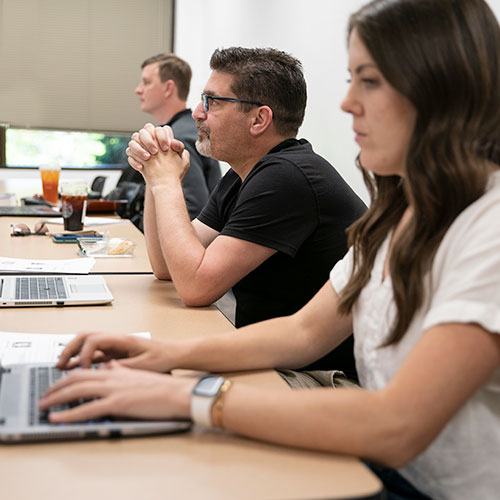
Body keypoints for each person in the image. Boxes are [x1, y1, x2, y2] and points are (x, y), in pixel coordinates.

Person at [39, 0, 500, 498]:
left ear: (439, 91)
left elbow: (398, 424)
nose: (346, 103)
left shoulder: (487, 225)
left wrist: (184, 394)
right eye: (350, 79)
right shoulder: (400, 210)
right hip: (383, 459)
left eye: (369, 80)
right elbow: (304, 330)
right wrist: (162, 354)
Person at [127, 48, 365, 349]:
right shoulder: (244, 175)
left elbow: (195, 286)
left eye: (211, 102)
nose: (197, 113)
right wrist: (154, 171)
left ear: (258, 120)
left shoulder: (286, 176)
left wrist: (166, 183)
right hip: (272, 355)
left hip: (317, 375)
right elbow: (165, 268)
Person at [118, 53, 221, 220]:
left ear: (168, 88)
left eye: (146, 82)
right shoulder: (184, 130)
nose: (138, 90)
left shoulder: (176, 139)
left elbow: (193, 211)